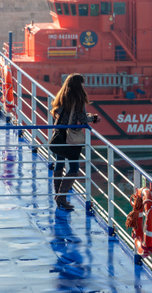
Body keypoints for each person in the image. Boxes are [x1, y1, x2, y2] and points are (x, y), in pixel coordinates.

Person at [50, 73, 99, 210]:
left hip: (59, 135)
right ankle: (61, 197)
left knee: (59, 165)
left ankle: (58, 196)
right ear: (79, 86)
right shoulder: (78, 99)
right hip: (70, 139)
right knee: (74, 169)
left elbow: (58, 112)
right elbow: (82, 118)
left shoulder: (61, 97)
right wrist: (93, 118)